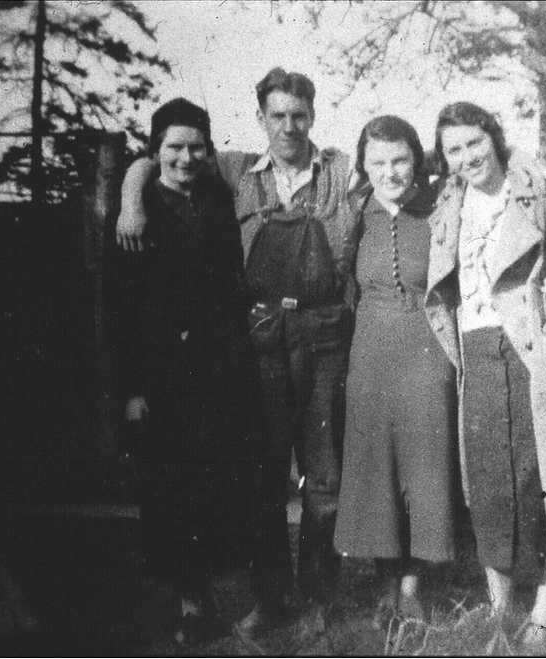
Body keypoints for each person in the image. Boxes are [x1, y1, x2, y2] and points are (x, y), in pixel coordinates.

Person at [116, 68, 356, 635]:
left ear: (313, 117)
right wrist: (131, 198)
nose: (289, 127)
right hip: (263, 340)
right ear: (260, 119)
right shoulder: (235, 170)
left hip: (324, 338)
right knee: (264, 477)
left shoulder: (342, 171)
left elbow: (409, 170)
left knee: (324, 480)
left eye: (299, 115)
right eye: (278, 115)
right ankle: (271, 597)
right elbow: (156, 158)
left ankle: (319, 598)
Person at [423, 102, 546, 633]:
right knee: (487, 482)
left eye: (475, 142)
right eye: (454, 149)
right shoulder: (449, 204)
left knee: (544, 476)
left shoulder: (534, 190)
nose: (468, 157)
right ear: (444, 159)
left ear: (494, 136)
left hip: (530, 347)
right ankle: (498, 607)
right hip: (474, 350)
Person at [109, 98, 263, 644]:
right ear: (156, 152)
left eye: (196, 146)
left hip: (216, 372)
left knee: (216, 486)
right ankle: (185, 606)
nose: (186, 157)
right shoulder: (136, 209)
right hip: (159, 378)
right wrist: (129, 389)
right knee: (169, 492)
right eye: (174, 146)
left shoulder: (219, 197)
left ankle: (214, 600)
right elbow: (118, 306)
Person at [332, 116, 457, 627]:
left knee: (426, 466)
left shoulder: (443, 205)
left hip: (427, 346)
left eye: (400, 159)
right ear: (362, 165)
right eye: (378, 162)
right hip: (370, 349)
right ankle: (386, 581)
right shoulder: (352, 211)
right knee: (375, 467)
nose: (391, 172)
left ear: (418, 158)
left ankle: (413, 585)